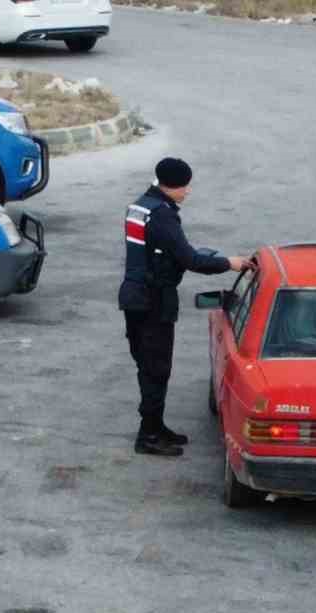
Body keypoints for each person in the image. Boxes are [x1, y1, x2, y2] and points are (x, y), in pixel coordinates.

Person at [120, 157, 253, 457]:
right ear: (170, 186)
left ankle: (155, 425)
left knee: (149, 366)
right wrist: (228, 263)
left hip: (135, 296)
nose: (187, 191)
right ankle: (149, 436)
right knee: (156, 369)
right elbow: (189, 259)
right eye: (184, 186)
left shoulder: (140, 206)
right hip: (153, 301)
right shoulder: (163, 216)